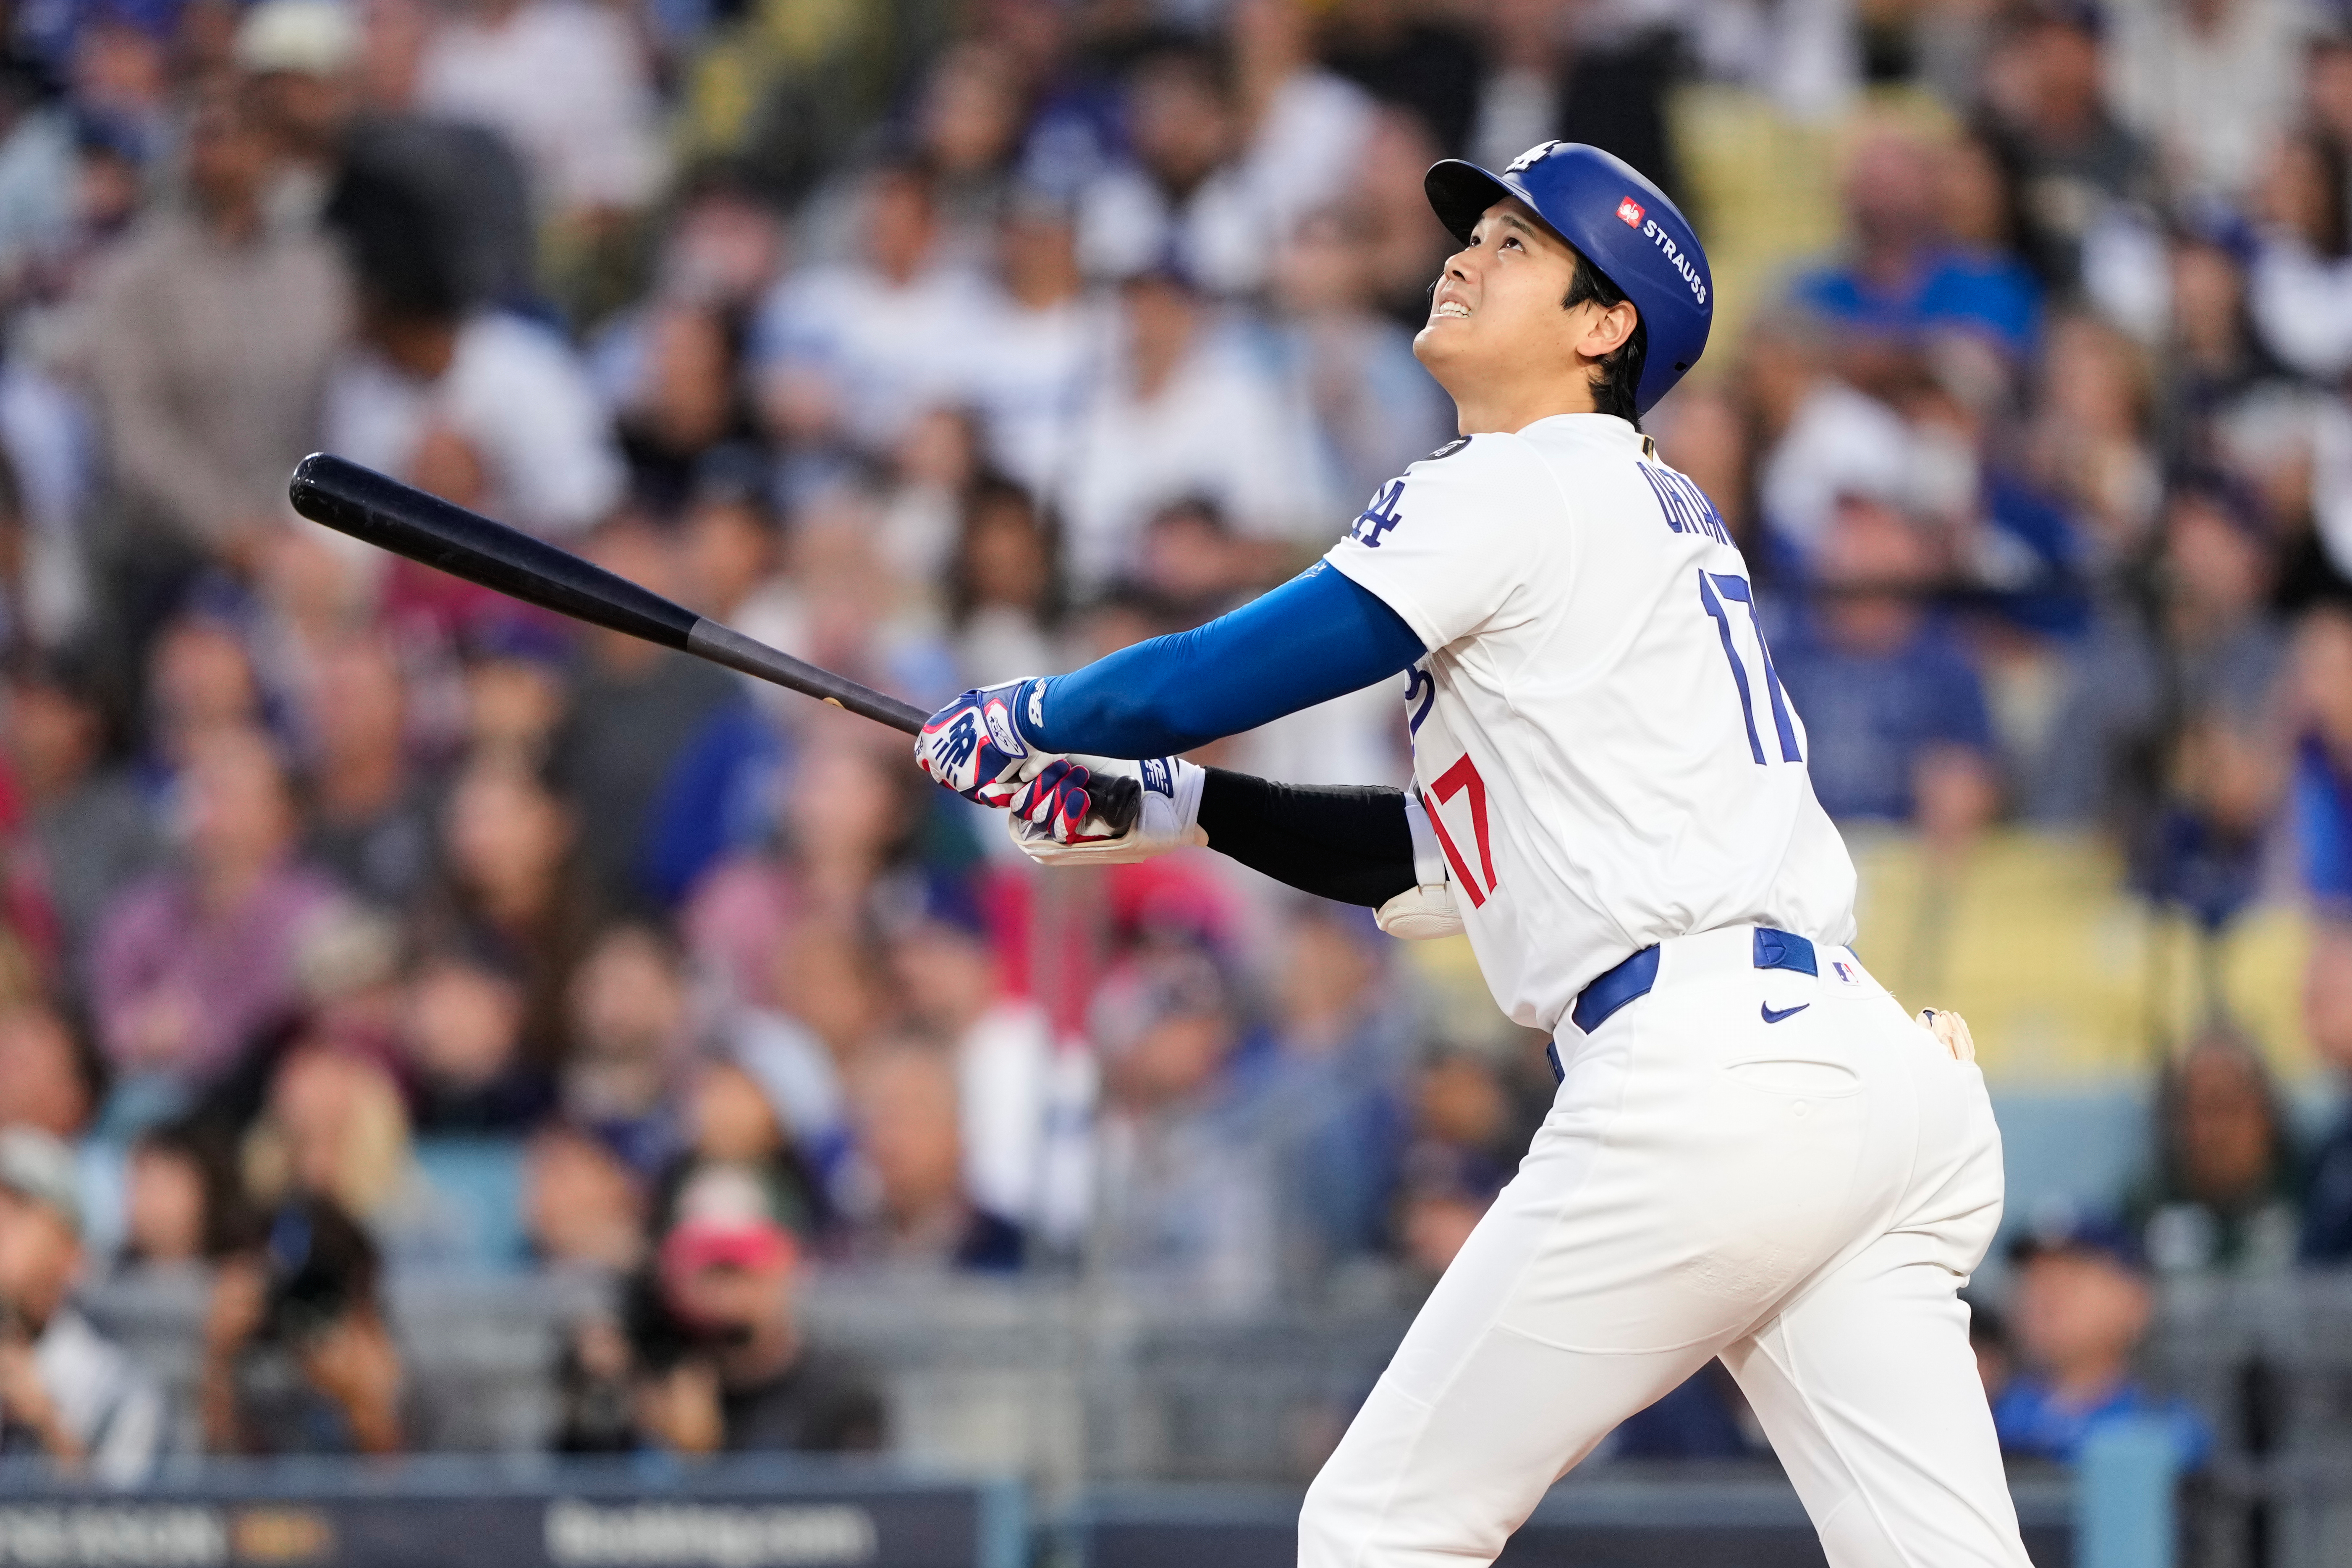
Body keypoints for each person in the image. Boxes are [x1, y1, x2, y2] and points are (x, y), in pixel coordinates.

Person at [911, 141, 2021, 1566]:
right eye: (1476, 233)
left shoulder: (1513, 481)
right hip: (1870, 1080)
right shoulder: (1632, 514)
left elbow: (1225, 666)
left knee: (1383, 1524)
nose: (1463, 254)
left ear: (1604, 324)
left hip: (1711, 1079)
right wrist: (1181, 807)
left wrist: (1036, 710)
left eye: (1515, 245)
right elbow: (1441, 857)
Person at [0, 1127, 162, 1484]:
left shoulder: (116, 1387)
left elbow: (131, 1526)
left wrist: (47, 1426)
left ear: (72, 1252)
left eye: (16, 1214)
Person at [1993, 1216, 2210, 1468]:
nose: (2047, 1295)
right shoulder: (1983, 1412)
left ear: (2136, 1300)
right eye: (2034, 1278)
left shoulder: (2168, 1431)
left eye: (2073, 1276)